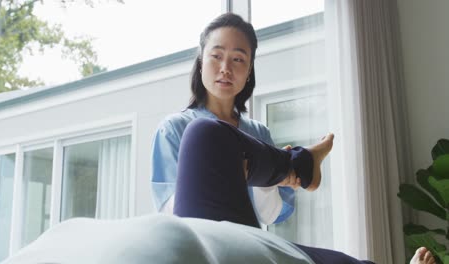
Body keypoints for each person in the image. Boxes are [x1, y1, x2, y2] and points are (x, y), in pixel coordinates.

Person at [151, 12, 436, 264]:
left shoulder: (258, 133)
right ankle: (300, 162)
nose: (226, 67)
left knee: (326, 258)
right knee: (203, 133)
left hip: (249, 239)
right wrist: (229, 175)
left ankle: (297, 164)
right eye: (216, 55)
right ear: (201, 61)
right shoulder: (176, 128)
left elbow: (270, 215)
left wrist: (263, 181)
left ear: (249, 70)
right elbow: (172, 214)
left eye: (238, 59)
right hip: (203, 241)